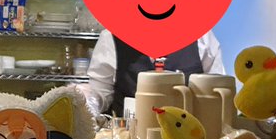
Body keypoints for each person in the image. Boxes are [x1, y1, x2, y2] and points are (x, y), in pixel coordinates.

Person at [84, 29, 225, 116]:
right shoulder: (111, 37)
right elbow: (99, 93)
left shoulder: (202, 37)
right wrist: (85, 101)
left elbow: (218, 91)